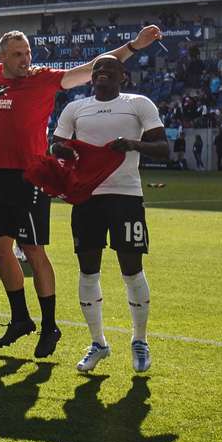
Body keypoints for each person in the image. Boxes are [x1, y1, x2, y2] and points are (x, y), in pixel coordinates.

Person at [0, 25, 161, 355]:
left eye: (28, 52)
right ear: (1, 57)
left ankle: (49, 326)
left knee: (32, 249)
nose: (25, 58)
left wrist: (134, 45)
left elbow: (92, 69)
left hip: (32, 174)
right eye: (17, 54)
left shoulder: (43, 78)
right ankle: (20, 319)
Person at [50, 56, 168, 373]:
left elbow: (163, 148)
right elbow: (56, 145)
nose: (101, 71)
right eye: (97, 69)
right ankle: (98, 342)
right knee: (88, 269)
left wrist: (131, 143)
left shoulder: (138, 103)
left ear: (123, 76)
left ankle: (139, 340)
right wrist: (61, 152)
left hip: (126, 195)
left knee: (131, 268)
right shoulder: (75, 108)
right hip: (87, 197)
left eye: (109, 69)